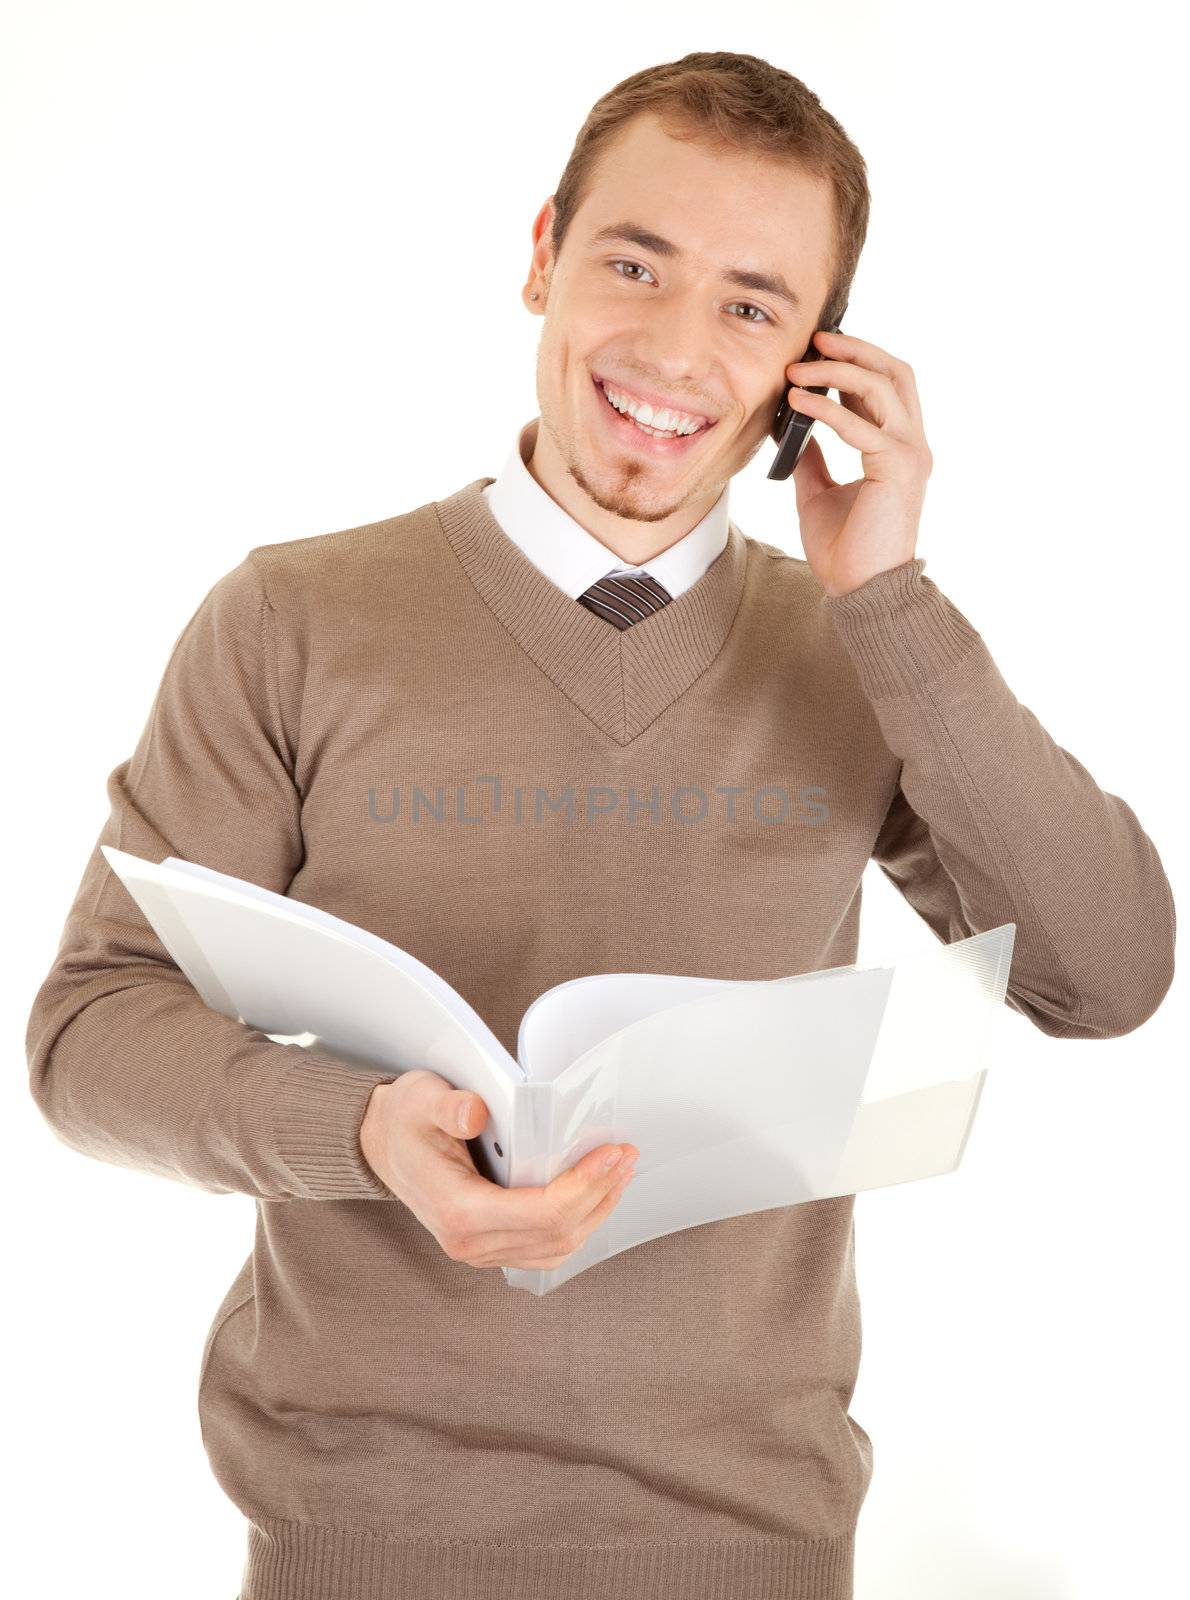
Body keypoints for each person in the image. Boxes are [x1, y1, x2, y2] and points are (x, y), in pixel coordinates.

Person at [25, 48, 1175, 1600]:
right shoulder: (288, 618)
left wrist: (887, 598)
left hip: (752, 1544)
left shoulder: (859, 650)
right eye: (634, 263)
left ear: (809, 368)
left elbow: (1104, 981)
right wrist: (357, 1132)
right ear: (542, 257)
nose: (676, 348)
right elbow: (89, 1036)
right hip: (358, 1540)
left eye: (751, 306)